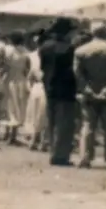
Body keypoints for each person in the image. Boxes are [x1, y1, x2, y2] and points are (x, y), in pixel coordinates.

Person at [74, 22, 106, 169]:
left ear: (91, 32)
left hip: (89, 93)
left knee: (88, 125)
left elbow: (77, 72)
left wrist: (88, 88)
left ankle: (86, 158)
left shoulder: (81, 50)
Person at [39, 18, 80, 165]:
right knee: (65, 124)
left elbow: (43, 67)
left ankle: (54, 152)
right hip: (66, 89)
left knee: (52, 122)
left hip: (49, 87)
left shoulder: (45, 47)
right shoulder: (69, 48)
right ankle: (61, 156)